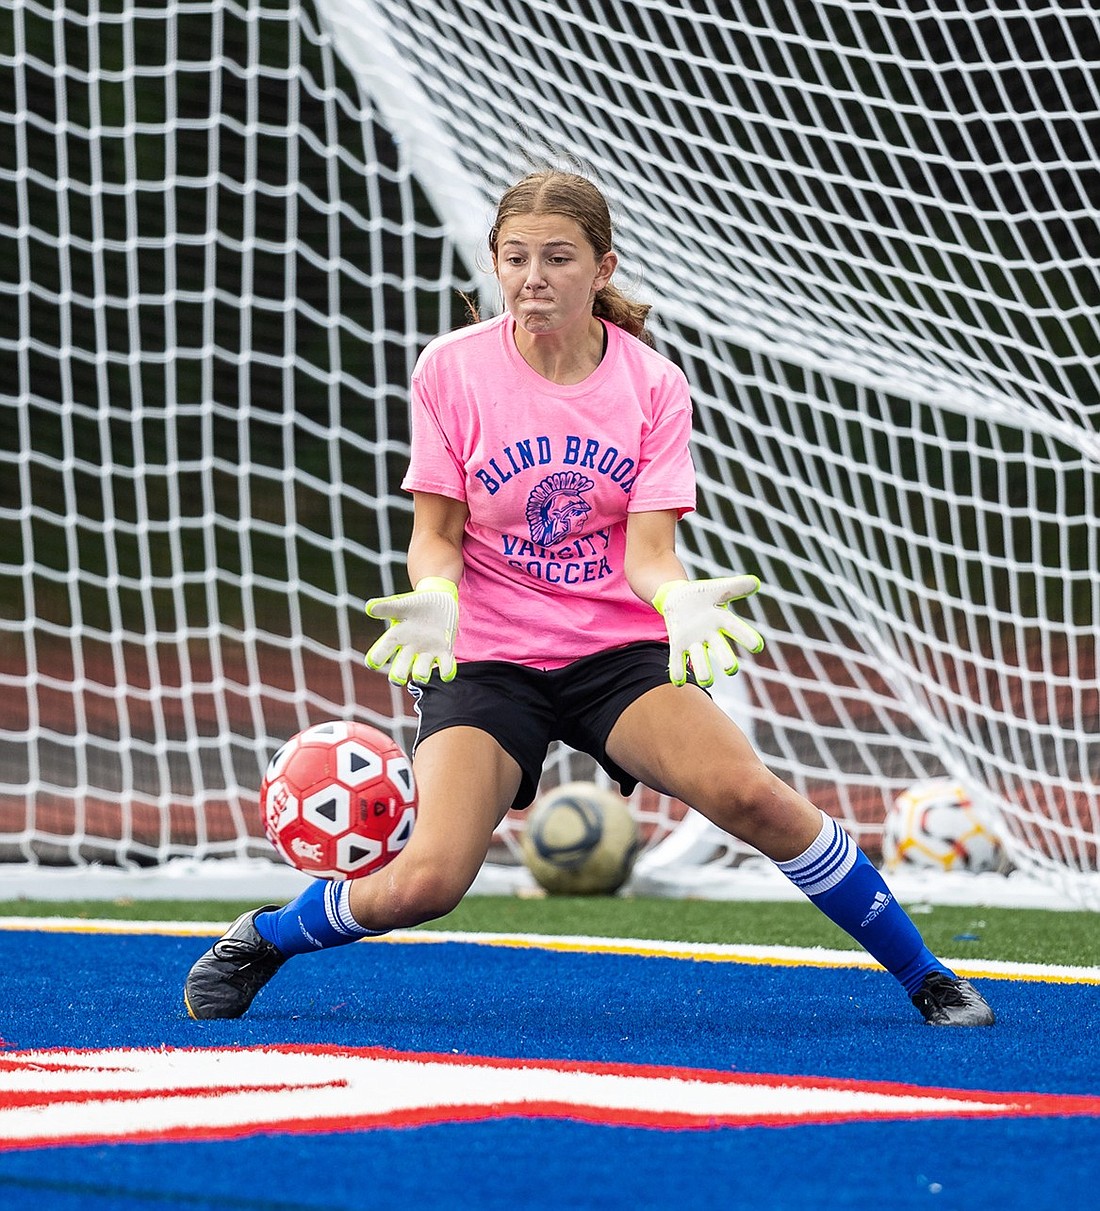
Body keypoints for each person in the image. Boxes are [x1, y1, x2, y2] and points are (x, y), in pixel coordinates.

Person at [184, 169, 993, 1027]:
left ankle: (928, 975)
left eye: (559, 258)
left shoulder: (652, 384)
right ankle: (264, 936)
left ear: (601, 268)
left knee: (754, 796)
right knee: (427, 882)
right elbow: (437, 532)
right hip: (489, 657)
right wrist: (433, 595)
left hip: (615, 656)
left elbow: (650, 551)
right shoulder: (450, 369)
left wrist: (678, 602)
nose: (535, 277)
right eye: (516, 257)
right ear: (495, 264)